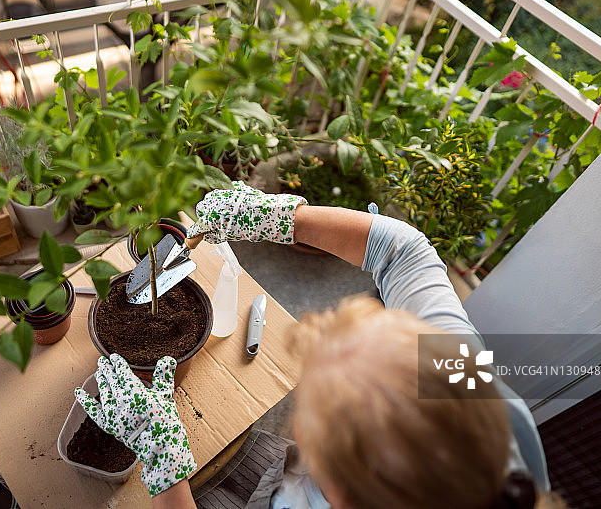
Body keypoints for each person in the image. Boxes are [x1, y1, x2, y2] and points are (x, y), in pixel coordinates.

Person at [75, 182, 564, 509]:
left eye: (308, 422)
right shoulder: (462, 376)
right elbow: (402, 251)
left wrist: (164, 462)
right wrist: (282, 217)